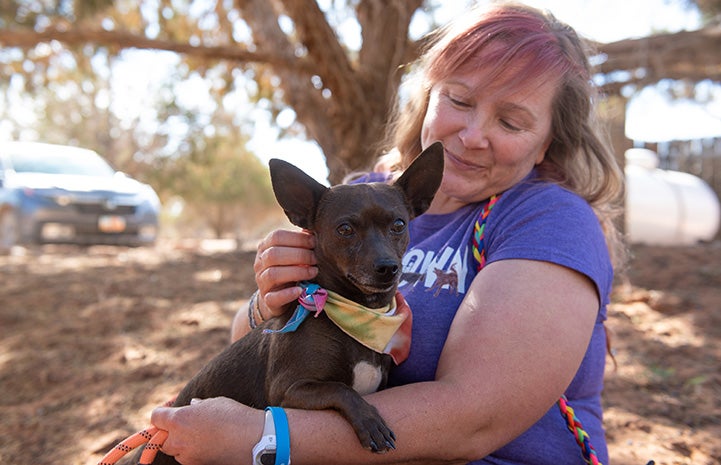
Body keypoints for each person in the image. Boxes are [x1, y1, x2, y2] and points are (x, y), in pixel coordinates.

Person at [150, 2, 625, 464]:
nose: (473, 134)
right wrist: (268, 298)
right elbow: (257, 346)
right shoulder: (359, 197)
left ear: (548, 143)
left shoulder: (547, 219)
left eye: (511, 121)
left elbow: (474, 421)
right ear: (428, 96)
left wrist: (262, 438)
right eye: (459, 100)